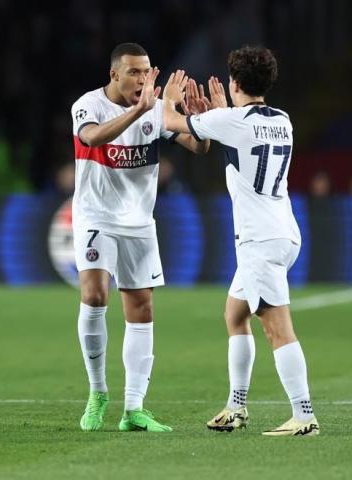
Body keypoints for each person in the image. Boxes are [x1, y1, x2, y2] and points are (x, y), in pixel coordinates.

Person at [161, 46, 319, 436]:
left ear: (233, 83)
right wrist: (216, 115)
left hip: (259, 239)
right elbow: (237, 137)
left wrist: (169, 98)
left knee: (277, 327)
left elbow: (169, 121)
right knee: (235, 314)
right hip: (284, 230)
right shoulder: (283, 120)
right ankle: (236, 407)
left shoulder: (231, 120)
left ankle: (304, 415)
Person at [71, 42, 209, 432]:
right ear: (114, 74)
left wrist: (198, 120)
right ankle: (98, 392)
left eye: (146, 72)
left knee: (142, 308)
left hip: (139, 223)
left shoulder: (157, 109)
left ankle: (134, 408)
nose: (142, 79)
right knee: (94, 295)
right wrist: (139, 110)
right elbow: (92, 138)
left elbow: (198, 147)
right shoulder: (89, 105)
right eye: (133, 72)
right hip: (96, 216)